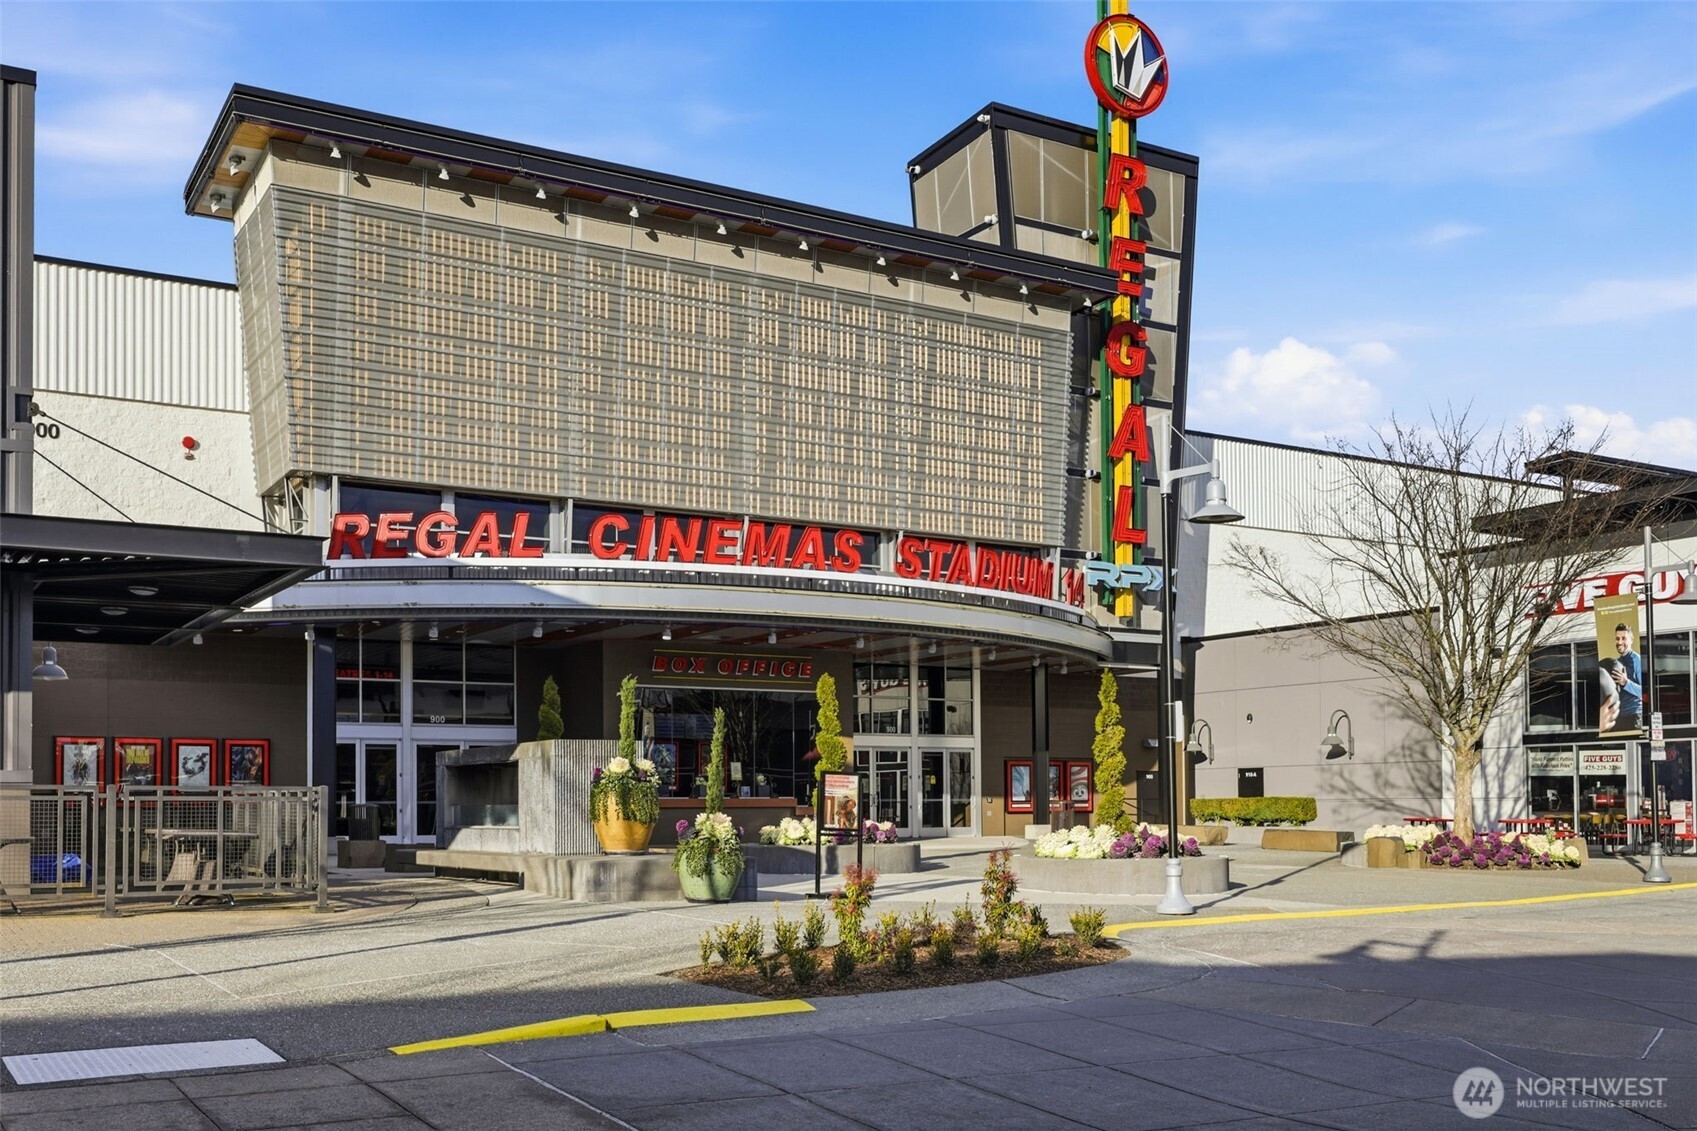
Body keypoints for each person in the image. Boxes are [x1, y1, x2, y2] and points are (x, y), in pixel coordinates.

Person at [1606, 624, 1643, 732]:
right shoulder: (1616, 662)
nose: (1620, 642)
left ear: (1632, 640)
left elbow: (1644, 691)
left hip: (1634, 715)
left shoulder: (1637, 660)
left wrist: (1626, 683)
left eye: (1623, 638)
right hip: (1618, 716)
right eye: (1617, 638)